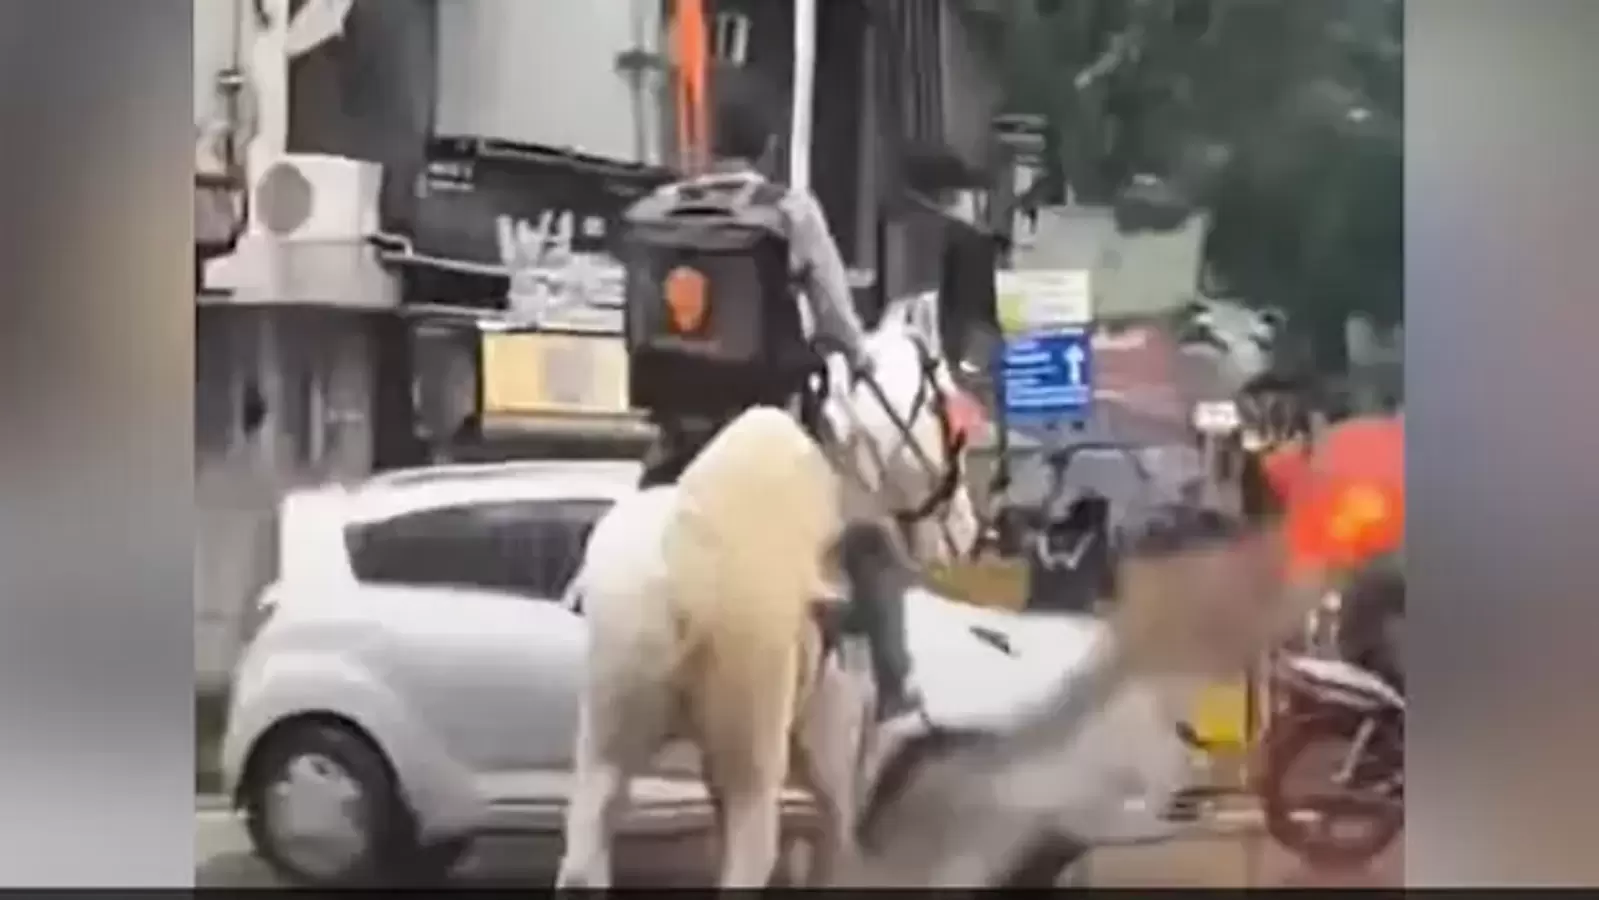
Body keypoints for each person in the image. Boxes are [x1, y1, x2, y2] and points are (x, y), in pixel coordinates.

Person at [621, 71, 919, 721]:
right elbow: (835, 317)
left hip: (677, 431)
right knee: (869, 538)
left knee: (624, 537)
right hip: (765, 427)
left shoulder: (655, 211)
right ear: (769, 146)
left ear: (707, 142)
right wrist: (857, 353)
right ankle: (895, 685)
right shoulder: (788, 211)